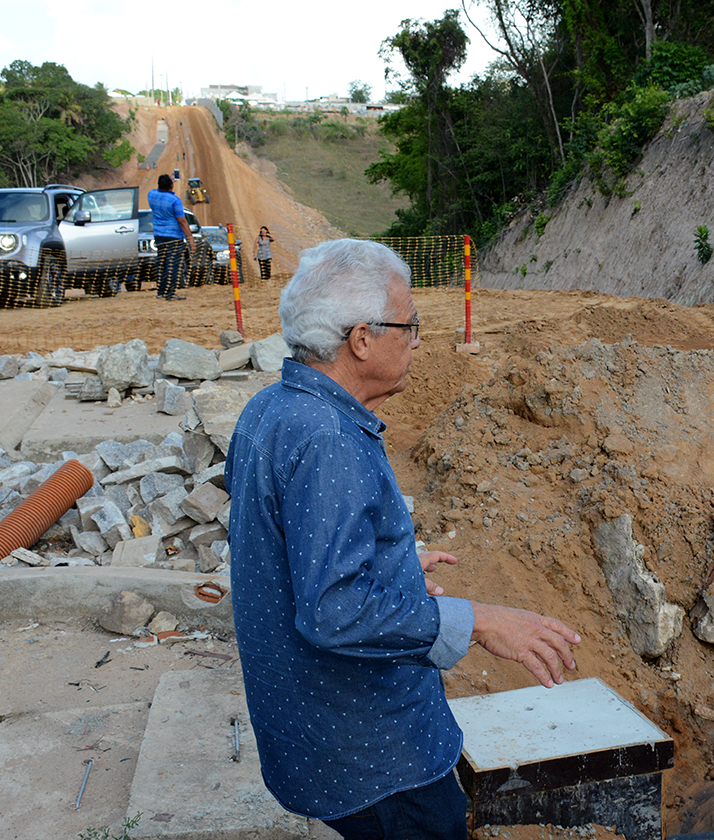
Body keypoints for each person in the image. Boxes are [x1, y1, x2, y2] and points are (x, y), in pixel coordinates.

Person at [225, 238, 582, 840]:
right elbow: (334, 612)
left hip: (313, 736)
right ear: (361, 340)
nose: (417, 339)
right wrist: (478, 621)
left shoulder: (270, 410)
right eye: (409, 324)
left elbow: (284, 541)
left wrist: (390, 559)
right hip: (375, 758)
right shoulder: (329, 439)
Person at [146, 174, 195, 300]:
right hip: (174, 236)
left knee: (161, 263)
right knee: (173, 264)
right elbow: (182, 220)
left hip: (159, 235)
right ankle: (170, 293)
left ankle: (161, 292)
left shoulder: (151, 195)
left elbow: (159, 190)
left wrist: (168, 182)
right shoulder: (175, 200)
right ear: (171, 186)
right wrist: (190, 238)